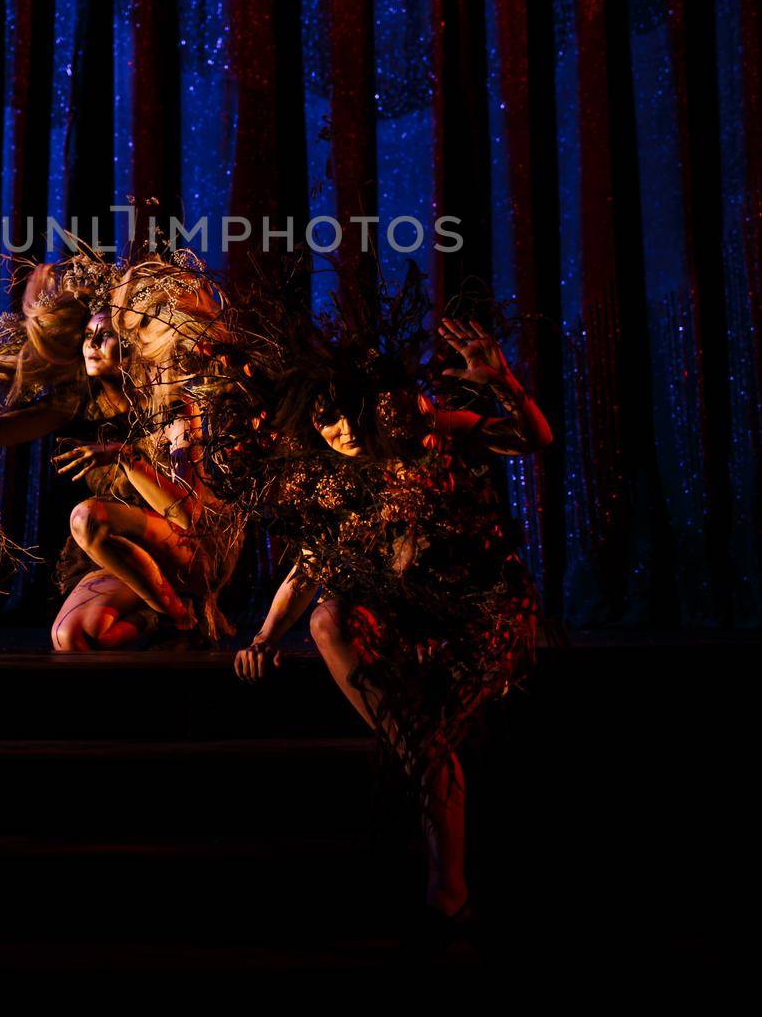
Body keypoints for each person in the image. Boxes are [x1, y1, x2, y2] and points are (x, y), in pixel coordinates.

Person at [232, 308, 552, 941]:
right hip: (398, 613)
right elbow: (309, 565)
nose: (346, 430)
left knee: (434, 732)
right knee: (329, 616)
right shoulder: (325, 478)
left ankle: (448, 886)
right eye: (328, 419)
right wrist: (265, 637)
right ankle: (416, 757)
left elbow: (533, 440)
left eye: (353, 412)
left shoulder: (428, 431)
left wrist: (504, 382)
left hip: (475, 609)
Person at [0, 252, 241, 650]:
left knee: (87, 517)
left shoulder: (173, 407)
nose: (91, 345)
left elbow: (188, 514)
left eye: (104, 336)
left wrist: (127, 459)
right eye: (87, 335)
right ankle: (166, 618)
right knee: (70, 636)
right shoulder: (81, 401)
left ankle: (183, 615)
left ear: (132, 343)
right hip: (128, 559)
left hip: (185, 551)